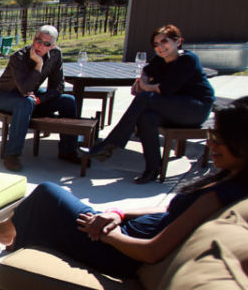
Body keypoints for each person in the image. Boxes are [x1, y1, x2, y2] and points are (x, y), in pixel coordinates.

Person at [0, 95, 248, 278]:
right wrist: (117, 211)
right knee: (50, 200)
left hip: (120, 251)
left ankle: (6, 235)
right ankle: (11, 239)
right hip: (122, 232)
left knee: (47, 194)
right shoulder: (237, 179)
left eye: (221, 138)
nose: (211, 143)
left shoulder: (224, 195)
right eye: (213, 135)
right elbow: (166, 211)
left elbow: (153, 251)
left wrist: (107, 233)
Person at [85, 24, 215, 183]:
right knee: (146, 117)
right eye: (156, 44)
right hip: (173, 107)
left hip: (195, 108)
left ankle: (109, 145)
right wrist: (142, 81)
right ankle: (153, 168)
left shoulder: (188, 59)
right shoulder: (160, 60)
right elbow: (147, 70)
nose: (160, 47)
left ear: (178, 41)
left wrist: (144, 87)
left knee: (145, 98)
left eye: (164, 41)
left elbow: (166, 89)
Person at [0, 24, 81, 170]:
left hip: (31, 97)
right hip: (6, 96)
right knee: (25, 103)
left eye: (46, 43)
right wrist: (38, 64)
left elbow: (58, 86)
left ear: (52, 46)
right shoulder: (18, 57)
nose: (40, 45)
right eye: (38, 40)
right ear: (34, 39)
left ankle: (68, 150)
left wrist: (41, 99)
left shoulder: (56, 55)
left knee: (68, 101)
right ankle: (12, 155)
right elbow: (25, 89)